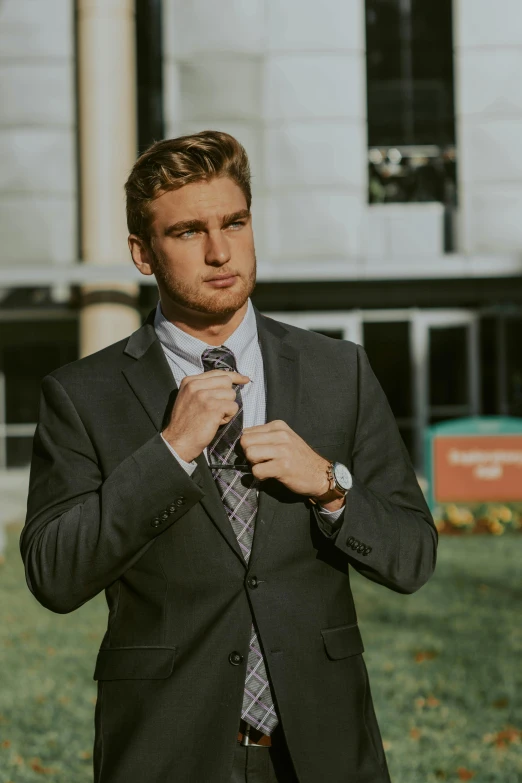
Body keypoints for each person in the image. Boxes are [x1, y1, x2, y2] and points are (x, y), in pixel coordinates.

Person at [21, 131, 437, 783]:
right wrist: (169, 450)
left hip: (325, 752)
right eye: (187, 232)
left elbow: (413, 555)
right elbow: (54, 573)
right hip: (164, 751)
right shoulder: (82, 395)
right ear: (143, 253)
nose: (220, 250)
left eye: (234, 222)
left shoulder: (338, 372)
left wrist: (330, 488)